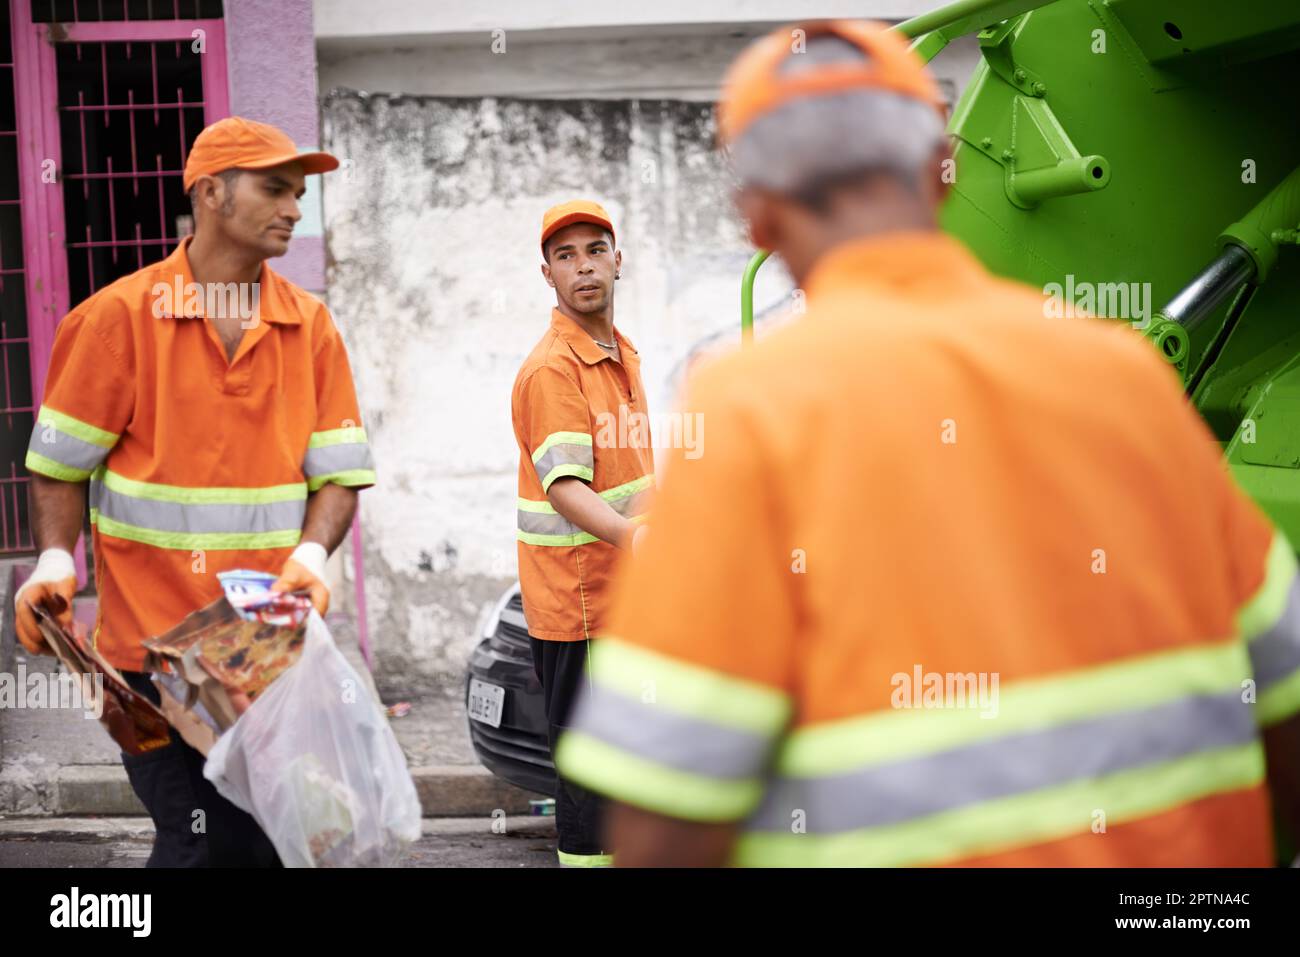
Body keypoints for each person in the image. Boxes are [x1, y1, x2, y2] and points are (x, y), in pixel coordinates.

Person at [555, 20, 1300, 866]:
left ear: (757, 215)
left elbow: (665, 816)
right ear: (941, 171)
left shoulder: (748, 412)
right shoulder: (1125, 375)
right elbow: (1282, 690)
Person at [14, 116, 376, 867]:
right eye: (275, 189)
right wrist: (55, 561)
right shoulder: (116, 320)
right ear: (211, 192)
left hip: (264, 649)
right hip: (142, 666)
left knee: (276, 841)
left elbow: (338, 475)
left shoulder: (310, 328)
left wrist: (312, 554)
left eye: (299, 193)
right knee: (196, 842)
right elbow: (59, 465)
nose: (294, 208)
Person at [510, 200, 654, 866]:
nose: (583, 267)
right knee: (590, 777)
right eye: (565, 257)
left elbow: (631, 471)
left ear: (617, 259)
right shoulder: (553, 369)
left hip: (623, 595)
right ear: (547, 275)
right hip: (579, 606)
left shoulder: (620, 354)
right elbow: (565, 487)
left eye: (594, 250)